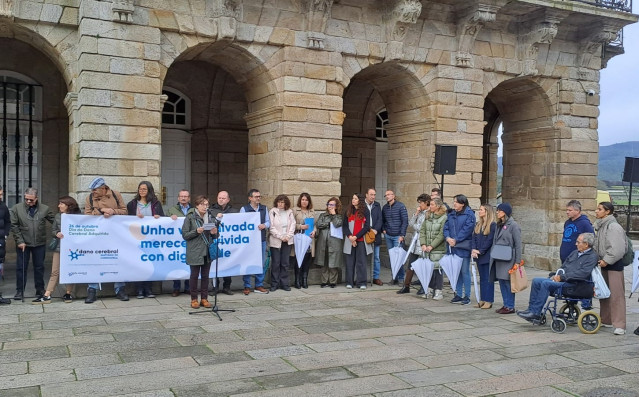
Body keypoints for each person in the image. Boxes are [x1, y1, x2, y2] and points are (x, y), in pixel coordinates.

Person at [517, 233, 598, 323]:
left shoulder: (592, 257)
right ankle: (531, 309)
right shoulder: (575, 253)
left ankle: (536, 313)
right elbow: (564, 266)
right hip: (564, 280)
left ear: (586, 244)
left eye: (578, 242)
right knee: (536, 281)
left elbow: (582, 274)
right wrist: (555, 275)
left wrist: (562, 277)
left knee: (546, 284)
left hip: (575, 285)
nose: (576, 244)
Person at [84, 177, 129, 303]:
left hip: (115, 234)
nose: (93, 192)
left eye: (95, 190)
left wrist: (112, 211)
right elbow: (86, 216)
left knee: (118, 260)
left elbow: (125, 212)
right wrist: (101, 210)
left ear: (103, 188)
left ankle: (120, 289)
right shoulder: (89, 198)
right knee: (94, 261)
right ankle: (92, 290)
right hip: (97, 235)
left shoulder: (116, 195)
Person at [32, 196, 81, 304]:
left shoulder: (78, 217)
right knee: (55, 271)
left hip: (73, 249)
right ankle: (47, 295)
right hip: (59, 247)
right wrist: (56, 233)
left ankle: (68, 293)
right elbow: (53, 230)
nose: (59, 206)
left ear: (69, 205)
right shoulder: (58, 216)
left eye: (61, 204)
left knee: (70, 270)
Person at [10, 187, 55, 300]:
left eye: (31, 200)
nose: (29, 202)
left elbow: (55, 221)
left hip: (39, 243)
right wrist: (19, 241)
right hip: (23, 243)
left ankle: (40, 289)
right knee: (21, 267)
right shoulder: (17, 208)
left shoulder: (45, 208)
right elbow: (14, 226)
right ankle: (20, 291)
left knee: (39, 267)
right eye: (26, 199)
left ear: (36, 198)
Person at [594, 201, 627, 335]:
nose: (596, 211)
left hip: (613, 264)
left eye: (599, 209)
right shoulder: (601, 226)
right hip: (603, 263)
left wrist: (607, 260)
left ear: (607, 211)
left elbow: (618, 248)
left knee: (616, 295)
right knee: (604, 293)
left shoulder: (613, 227)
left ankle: (620, 324)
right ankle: (606, 319)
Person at [127, 181, 164, 299]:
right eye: (140, 189)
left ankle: (148, 289)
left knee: (149, 264)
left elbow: (162, 218)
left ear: (149, 191)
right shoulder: (132, 204)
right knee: (138, 263)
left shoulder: (156, 204)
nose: (141, 191)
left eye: (144, 189)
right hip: (137, 238)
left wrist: (158, 217)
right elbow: (126, 220)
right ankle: (139, 289)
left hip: (151, 239)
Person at [181, 195, 217, 309]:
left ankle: (204, 299)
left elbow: (216, 236)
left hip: (207, 250)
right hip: (195, 251)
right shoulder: (190, 217)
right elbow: (185, 235)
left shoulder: (210, 217)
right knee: (194, 276)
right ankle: (194, 299)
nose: (205, 207)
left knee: (206, 276)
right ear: (197, 205)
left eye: (207, 204)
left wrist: (214, 232)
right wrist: (196, 231)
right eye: (202, 204)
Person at [561, 199, 594, 310]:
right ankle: (571, 305)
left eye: (570, 210)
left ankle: (586, 305)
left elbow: (590, 239)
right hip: (567, 259)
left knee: (582, 283)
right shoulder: (568, 222)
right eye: (567, 210)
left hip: (579, 259)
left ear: (577, 210)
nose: (567, 212)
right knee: (569, 283)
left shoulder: (584, 223)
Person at [489, 202, 522, 314]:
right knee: (502, 282)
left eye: (499, 210)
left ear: (505, 213)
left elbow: (518, 245)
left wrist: (517, 261)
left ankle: (510, 306)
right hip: (499, 257)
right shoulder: (499, 225)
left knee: (508, 282)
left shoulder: (513, 225)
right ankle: (506, 304)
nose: (497, 212)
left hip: (509, 258)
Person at [444, 194, 476, 305]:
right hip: (452, 247)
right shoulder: (451, 214)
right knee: (456, 272)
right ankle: (458, 293)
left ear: (462, 204)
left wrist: (456, 240)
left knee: (464, 271)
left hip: (463, 247)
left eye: (456, 202)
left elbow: (467, 230)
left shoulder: (469, 215)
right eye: (454, 202)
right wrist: (448, 238)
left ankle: (466, 295)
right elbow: (446, 227)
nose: (454, 204)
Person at [397, 194, 429, 294]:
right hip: (415, 243)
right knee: (410, 265)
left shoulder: (428, 213)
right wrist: (416, 213)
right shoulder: (420, 213)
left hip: (422, 242)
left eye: (421, 203)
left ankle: (424, 286)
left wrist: (416, 226)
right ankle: (406, 286)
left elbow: (421, 228)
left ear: (426, 203)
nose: (419, 205)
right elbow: (410, 224)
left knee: (421, 265)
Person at [240, 189, 269, 295]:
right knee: (248, 262)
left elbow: (268, 221)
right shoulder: (244, 209)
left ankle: (259, 284)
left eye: (259, 196)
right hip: (249, 240)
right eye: (256, 196)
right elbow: (240, 223)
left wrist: (265, 225)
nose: (258, 198)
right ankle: (247, 285)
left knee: (260, 262)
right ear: (250, 198)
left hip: (261, 239)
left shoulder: (264, 208)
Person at [418, 197, 448, 299]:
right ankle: (429, 289)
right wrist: (423, 244)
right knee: (428, 269)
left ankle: (438, 291)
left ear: (438, 206)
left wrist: (432, 245)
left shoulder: (444, 217)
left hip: (437, 248)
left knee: (437, 270)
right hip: (427, 248)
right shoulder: (428, 216)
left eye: (432, 205)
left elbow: (441, 234)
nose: (430, 207)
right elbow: (422, 231)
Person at [209, 190, 237, 295]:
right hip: (216, 241)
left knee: (227, 263)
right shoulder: (211, 210)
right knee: (215, 264)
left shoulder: (234, 211)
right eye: (219, 197)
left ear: (228, 199)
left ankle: (227, 287)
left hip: (229, 242)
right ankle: (215, 287)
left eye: (223, 198)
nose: (221, 200)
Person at [471, 204, 497, 309]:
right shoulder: (478, 224)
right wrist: (473, 250)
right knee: (482, 278)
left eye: (481, 209)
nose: (479, 211)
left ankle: (489, 300)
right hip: (479, 255)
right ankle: (482, 299)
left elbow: (490, 240)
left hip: (487, 255)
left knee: (488, 278)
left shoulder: (492, 225)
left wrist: (480, 251)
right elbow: (473, 238)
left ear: (487, 211)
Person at [268, 195, 296, 291]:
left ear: (286, 203)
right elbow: (271, 227)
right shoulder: (273, 212)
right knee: (275, 263)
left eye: (282, 202)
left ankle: (284, 283)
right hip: (276, 240)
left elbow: (293, 224)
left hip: (287, 240)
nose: (280, 204)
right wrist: (280, 236)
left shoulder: (289, 212)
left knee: (285, 263)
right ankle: (274, 283)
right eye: (279, 202)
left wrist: (288, 236)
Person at [343, 193, 371, 290]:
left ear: (360, 200)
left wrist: (356, 237)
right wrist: (350, 237)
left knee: (361, 262)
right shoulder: (348, 210)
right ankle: (349, 282)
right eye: (353, 198)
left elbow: (367, 226)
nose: (353, 200)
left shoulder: (365, 211)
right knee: (350, 262)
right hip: (350, 239)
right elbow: (345, 226)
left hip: (361, 239)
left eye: (355, 198)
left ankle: (361, 282)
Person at [167, 189, 192, 296]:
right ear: (178, 198)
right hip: (176, 242)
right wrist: (170, 218)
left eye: (185, 196)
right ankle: (176, 288)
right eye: (181, 196)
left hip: (190, 240)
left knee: (189, 263)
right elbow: (165, 223)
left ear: (189, 198)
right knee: (177, 263)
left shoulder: (194, 210)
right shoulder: (172, 210)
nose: (183, 198)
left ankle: (188, 287)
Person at [316, 197, 343, 288]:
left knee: (333, 262)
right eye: (329, 204)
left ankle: (332, 281)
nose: (330, 206)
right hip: (323, 241)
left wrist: (334, 215)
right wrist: (328, 224)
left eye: (332, 205)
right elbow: (319, 224)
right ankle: (324, 281)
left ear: (336, 206)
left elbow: (337, 224)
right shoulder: (323, 215)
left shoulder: (339, 216)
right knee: (324, 261)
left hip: (334, 241)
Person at [382, 190, 408, 284]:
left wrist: (402, 235)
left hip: (398, 236)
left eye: (389, 194)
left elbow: (405, 221)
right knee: (392, 258)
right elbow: (383, 220)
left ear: (394, 196)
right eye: (386, 195)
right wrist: (383, 229)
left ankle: (400, 277)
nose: (387, 196)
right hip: (388, 235)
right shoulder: (385, 208)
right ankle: (394, 277)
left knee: (399, 257)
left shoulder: (401, 206)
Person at [292, 193, 317, 289]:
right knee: (298, 258)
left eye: (306, 200)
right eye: (303, 199)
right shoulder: (295, 210)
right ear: (300, 200)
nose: (304, 201)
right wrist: (300, 226)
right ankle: (297, 280)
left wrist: (314, 231)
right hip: (299, 237)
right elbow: (291, 224)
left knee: (307, 259)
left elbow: (315, 224)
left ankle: (304, 280)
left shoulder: (311, 211)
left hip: (309, 238)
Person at [364, 188, 383, 286]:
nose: (373, 197)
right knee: (362, 257)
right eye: (371, 194)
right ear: (366, 195)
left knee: (376, 257)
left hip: (375, 233)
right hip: (364, 233)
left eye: (374, 195)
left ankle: (375, 277)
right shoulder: (362, 205)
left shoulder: (377, 205)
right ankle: (362, 277)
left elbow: (380, 219)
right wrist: (366, 230)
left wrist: (375, 230)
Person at [0, 187, 11, 305]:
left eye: (1, 194)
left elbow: (8, 222)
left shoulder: (3, 206)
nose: (1, 196)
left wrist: (6, 234)